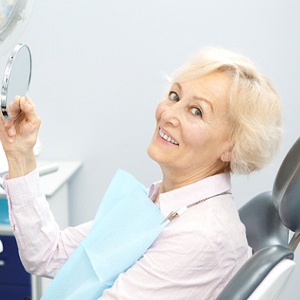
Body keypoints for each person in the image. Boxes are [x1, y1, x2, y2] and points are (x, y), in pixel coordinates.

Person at [0, 47, 282, 299]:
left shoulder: (201, 236)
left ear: (232, 148)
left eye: (196, 111)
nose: (169, 114)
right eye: (174, 95)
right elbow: (47, 254)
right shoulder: (162, 201)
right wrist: (20, 154)